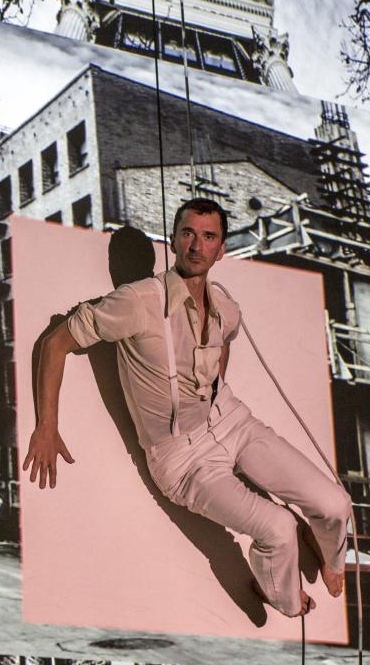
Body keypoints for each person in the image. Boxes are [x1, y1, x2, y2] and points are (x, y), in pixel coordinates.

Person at [23, 198, 352, 617]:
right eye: (188, 234)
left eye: (208, 237)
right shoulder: (137, 301)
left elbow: (226, 340)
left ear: (221, 249)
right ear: (175, 242)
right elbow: (56, 342)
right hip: (183, 460)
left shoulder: (226, 306)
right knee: (279, 529)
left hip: (232, 422)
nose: (197, 245)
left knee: (336, 505)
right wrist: (46, 426)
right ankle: (280, 594)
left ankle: (330, 557)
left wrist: (215, 392)